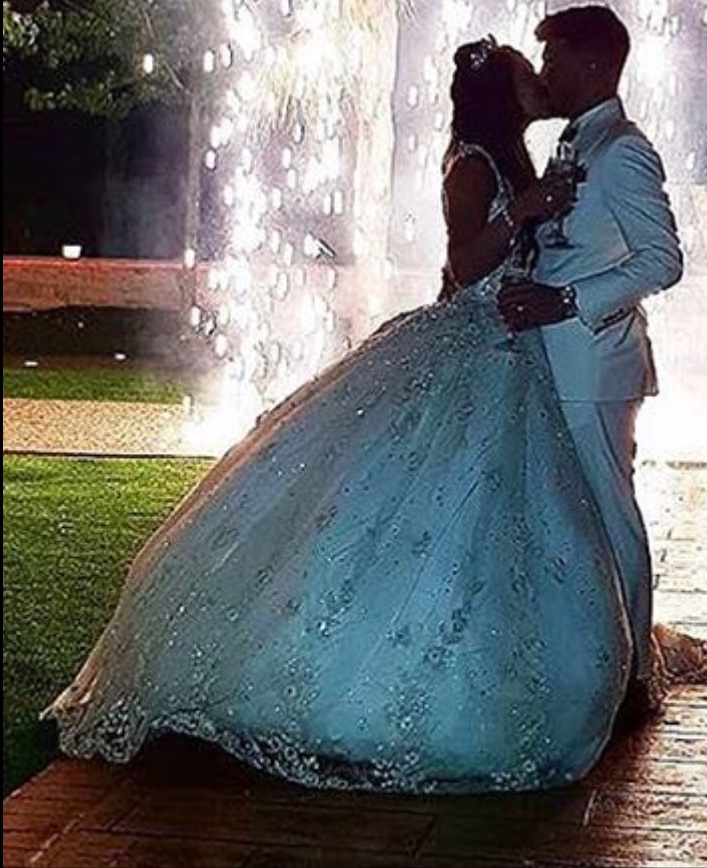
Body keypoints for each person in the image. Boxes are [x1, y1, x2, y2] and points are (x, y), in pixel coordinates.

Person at [46, 40, 633, 794]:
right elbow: (465, 265)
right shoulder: (473, 166)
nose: (539, 85)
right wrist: (526, 210)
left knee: (492, 515)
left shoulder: (515, 159)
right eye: (526, 78)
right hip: (476, 342)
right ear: (500, 96)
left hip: (509, 350)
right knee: (427, 507)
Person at [499, 6, 707, 722]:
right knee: (577, 514)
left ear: (596, 66)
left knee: (610, 512)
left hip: (594, 366)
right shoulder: (578, 141)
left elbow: (663, 261)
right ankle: (596, 655)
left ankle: (633, 671)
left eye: (556, 61)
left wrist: (566, 300)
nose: (545, 74)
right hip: (559, 362)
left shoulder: (623, 149)